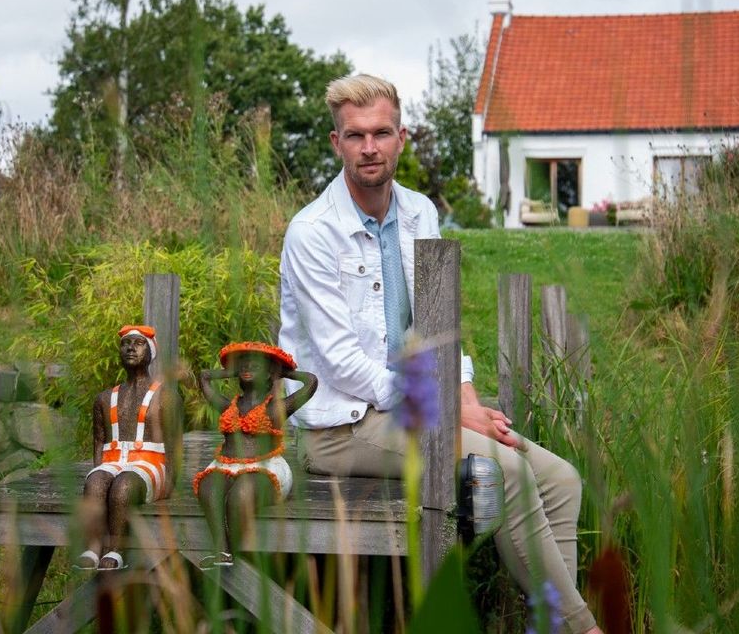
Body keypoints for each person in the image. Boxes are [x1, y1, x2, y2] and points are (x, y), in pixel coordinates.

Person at [278, 74, 601, 634]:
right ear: (336, 144)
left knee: (562, 479)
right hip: (344, 425)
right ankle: (583, 629)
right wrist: (450, 413)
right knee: (511, 476)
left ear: (402, 137)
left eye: (381, 132)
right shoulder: (312, 233)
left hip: (408, 414)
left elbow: (440, 329)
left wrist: (465, 398)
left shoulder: (420, 213)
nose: (369, 147)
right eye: (355, 136)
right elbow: (340, 366)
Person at [193, 341, 318, 568]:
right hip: (225, 465)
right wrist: (229, 371)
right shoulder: (228, 406)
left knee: (241, 493)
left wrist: (285, 372)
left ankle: (234, 549)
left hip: (265, 467)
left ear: (271, 373)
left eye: (256, 365)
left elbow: (311, 382)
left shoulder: (276, 407)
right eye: (243, 364)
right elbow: (203, 377)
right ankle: (222, 550)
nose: (248, 367)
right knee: (208, 487)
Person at [75, 325, 182, 571]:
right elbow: (98, 442)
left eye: (138, 343)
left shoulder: (166, 397)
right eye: (125, 343)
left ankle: (116, 548)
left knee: (123, 486)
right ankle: (93, 546)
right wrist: (99, 471)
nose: (131, 348)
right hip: (113, 461)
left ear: (151, 351)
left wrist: (169, 484)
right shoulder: (104, 398)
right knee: (95, 481)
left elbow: (175, 446)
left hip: (151, 464)